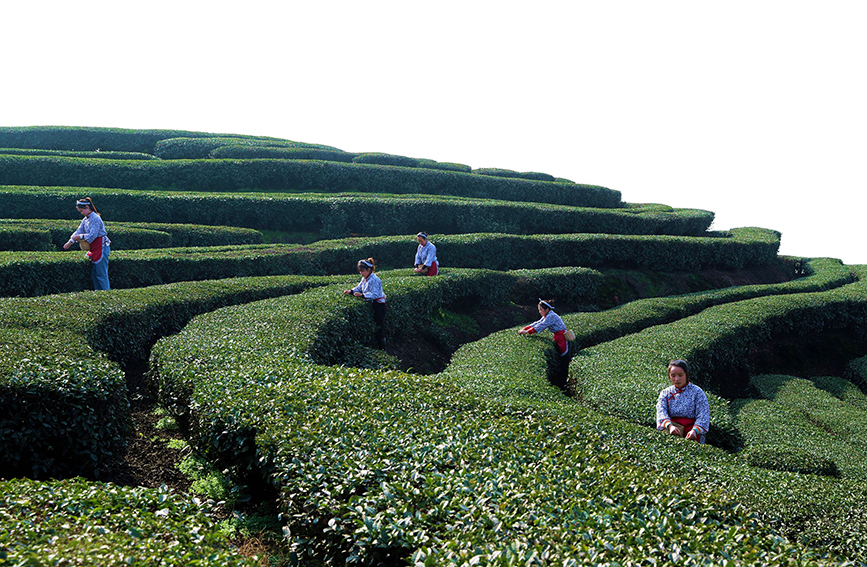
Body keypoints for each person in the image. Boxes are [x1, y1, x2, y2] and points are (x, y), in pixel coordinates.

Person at [656, 359, 710, 443]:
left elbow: (703, 415)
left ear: (686, 375)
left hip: (693, 431)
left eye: (680, 375)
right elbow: (661, 412)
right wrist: (670, 426)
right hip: (672, 429)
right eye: (673, 375)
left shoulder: (697, 392)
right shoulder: (665, 393)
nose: (677, 379)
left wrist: (695, 431)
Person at [63, 197, 111, 290]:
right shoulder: (86, 219)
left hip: (101, 247)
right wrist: (70, 242)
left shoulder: (96, 218)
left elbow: (93, 234)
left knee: (101, 275)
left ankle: (106, 294)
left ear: (87, 207)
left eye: (81, 211)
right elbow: (79, 230)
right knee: (94, 275)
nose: (81, 213)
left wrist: (80, 237)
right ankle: (98, 293)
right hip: (94, 247)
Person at [343, 257, 387, 349]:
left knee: (379, 327)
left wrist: (362, 295)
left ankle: (382, 347)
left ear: (369, 269)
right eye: (360, 271)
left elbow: (375, 294)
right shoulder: (365, 278)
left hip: (379, 305)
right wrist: (351, 291)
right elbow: (359, 287)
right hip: (373, 304)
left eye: (363, 271)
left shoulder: (374, 279)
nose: (361, 273)